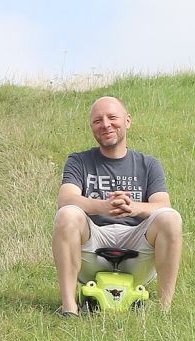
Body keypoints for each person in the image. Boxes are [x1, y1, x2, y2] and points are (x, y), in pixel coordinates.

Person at [52, 96, 183, 314]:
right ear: (92, 127)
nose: (105, 125)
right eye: (97, 120)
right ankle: (69, 308)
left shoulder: (148, 164)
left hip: (137, 249)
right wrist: (103, 206)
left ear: (128, 121)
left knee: (170, 218)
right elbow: (65, 199)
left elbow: (163, 204)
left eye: (112, 117)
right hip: (92, 248)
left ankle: (164, 310)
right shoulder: (79, 161)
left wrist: (135, 208)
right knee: (67, 214)